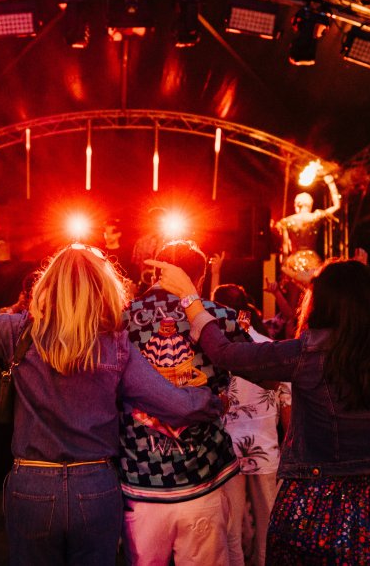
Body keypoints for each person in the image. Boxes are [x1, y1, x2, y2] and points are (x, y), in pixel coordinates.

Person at [0, 243, 222, 566]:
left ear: (48, 285)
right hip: (95, 484)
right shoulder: (115, 344)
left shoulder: (18, 331)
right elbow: (176, 406)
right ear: (102, 288)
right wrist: (215, 401)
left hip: (32, 484)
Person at [151, 257, 370, 565]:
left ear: (321, 303)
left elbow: (225, 353)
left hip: (312, 506)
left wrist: (191, 299)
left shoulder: (307, 352)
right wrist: (359, 289)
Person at [119, 240, 242, 566]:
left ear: (154, 272)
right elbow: (264, 375)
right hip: (201, 479)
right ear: (198, 279)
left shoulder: (121, 320)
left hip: (142, 480)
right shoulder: (220, 316)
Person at [213, 283, 287, 566]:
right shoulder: (269, 347)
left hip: (226, 448)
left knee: (231, 530)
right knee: (268, 525)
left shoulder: (216, 352)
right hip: (265, 446)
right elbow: (286, 400)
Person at [274, 173, 340, 284]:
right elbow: (337, 205)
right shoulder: (315, 217)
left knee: (295, 298)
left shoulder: (287, 221)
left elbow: (285, 248)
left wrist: (284, 269)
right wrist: (331, 183)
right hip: (313, 262)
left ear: (297, 205)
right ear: (310, 204)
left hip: (294, 263)